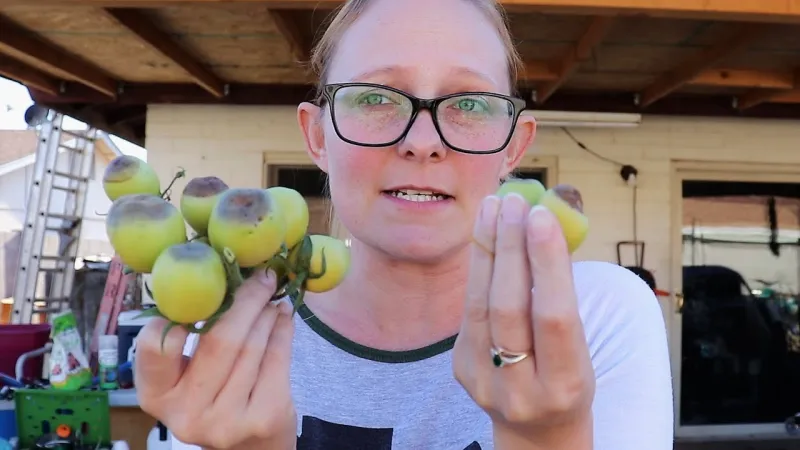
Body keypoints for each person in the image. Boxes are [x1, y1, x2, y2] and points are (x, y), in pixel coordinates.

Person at [134, 0, 674, 448]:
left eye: (468, 102)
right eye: (375, 98)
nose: (422, 141)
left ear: (514, 145)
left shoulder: (596, 316)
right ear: (318, 136)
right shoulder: (231, 339)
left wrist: (550, 437)